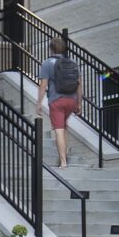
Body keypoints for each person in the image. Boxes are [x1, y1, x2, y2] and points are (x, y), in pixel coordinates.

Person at [37, 32, 83, 169]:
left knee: (58, 129)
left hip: (56, 100)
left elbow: (43, 85)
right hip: (72, 99)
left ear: (51, 49)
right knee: (64, 126)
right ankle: (64, 153)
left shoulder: (47, 63)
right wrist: (79, 103)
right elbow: (79, 84)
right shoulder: (73, 62)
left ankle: (63, 162)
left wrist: (39, 103)